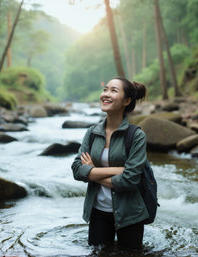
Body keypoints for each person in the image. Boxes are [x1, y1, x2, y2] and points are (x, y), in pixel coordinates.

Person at [71, 77, 148, 250]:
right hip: (98, 212)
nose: (106, 94)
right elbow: (77, 170)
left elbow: (129, 180)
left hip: (130, 214)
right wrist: (117, 169)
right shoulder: (92, 132)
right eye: (105, 89)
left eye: (113, 91)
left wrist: (92, 172)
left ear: (126, 101)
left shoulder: (136, 136)